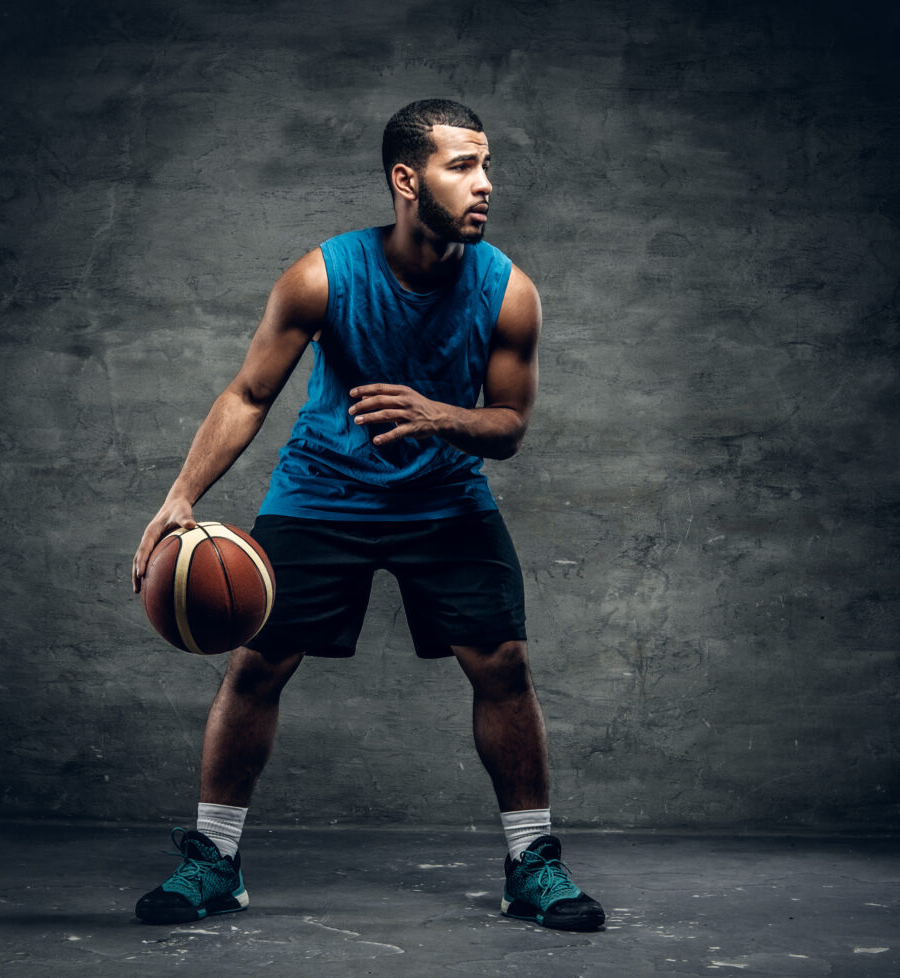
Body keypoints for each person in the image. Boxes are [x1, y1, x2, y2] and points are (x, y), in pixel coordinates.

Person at [131, 99, 604, 933]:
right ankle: (215, 860)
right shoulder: (321, 276)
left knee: (503, 666)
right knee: (256, 666)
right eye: (463, 167)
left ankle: (532, 864)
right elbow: (248, 394)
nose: (485, 184)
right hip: (322, 493)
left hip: (445, 499)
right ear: (405, 179)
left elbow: (511, 426)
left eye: (487, 165)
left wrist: (439, 416)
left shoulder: (510, 292)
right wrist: (181, 497)